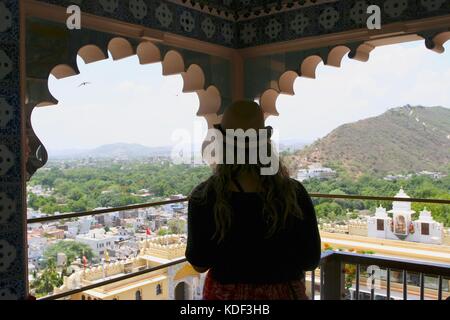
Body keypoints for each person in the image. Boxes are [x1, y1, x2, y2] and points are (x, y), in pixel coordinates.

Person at [185, 100, 321, 300]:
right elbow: (310, 260)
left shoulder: (205, 196)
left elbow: (200, 263)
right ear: (264, 142)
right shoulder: (293, 193)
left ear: (223, 143)